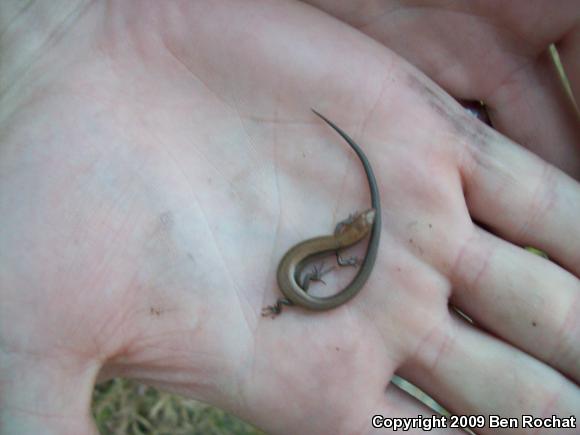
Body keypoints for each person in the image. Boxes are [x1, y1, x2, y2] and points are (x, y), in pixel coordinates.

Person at [1, 1, 578, 434]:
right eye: (360, 226)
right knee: (335, 267)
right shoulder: (337, 249)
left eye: (360, 228)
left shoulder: (337, 248)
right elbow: (342, 246)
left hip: (303, 286)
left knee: (331, 269)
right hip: (305, 284)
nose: (363, 226)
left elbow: (341, 246)